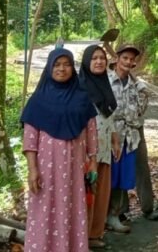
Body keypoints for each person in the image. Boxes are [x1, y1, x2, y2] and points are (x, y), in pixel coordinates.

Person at [21, 47, 98, 252]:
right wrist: (32, 170)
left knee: (73, 209)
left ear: (73, 68)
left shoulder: (82, 99)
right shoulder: (38, 101)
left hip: (74, 170)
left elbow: (91, 132)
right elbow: (30, 140)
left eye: (66, 64)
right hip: (46, 170)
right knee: (43, 209)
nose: (61, 69)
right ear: (49, 68)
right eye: (56, 65)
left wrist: (93, 162)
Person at [79, 44, 128, 246]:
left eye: (102, 58)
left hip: (105, 146)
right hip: (87, 150)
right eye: (94, 58)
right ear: (86, 62)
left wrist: (115, 139)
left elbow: (109, 115)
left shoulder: (105, 84)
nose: (99, 61)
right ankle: (81, 237)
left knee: (102, 192)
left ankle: (94, 234)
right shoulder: (79, 88)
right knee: (87, 192)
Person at [107, 43, 157, 231]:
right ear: (117, 59)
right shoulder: (107, 81)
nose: (128, 62)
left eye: (131, 59)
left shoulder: (135, 84)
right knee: (116, 172)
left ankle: (148, 208)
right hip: (114, 131)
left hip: (134, 131)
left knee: (141, 168)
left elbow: (140, 110)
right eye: (125, 58)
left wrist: (142, 92)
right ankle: (118, 212)